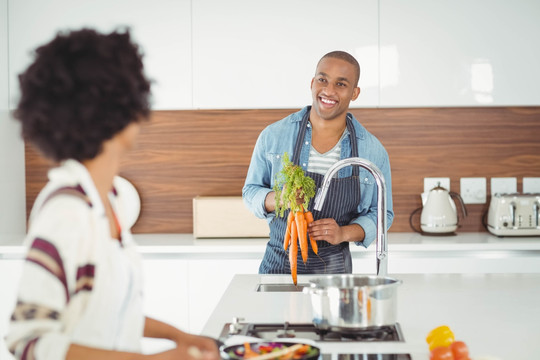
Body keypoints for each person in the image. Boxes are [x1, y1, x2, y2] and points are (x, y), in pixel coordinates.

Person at [5, 28, 219, 360]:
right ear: (113, 109)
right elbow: (27, 342)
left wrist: (178, 336)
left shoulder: (109, 200)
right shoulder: (66, 211)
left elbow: (112, 312)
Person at [242, 51, 394, 274]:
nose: (329, 90)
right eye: (323, 80)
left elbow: (382, 214)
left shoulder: (372, 151)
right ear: (313, 83)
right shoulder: (274, 136)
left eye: (341, 84)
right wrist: (278, 198)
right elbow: (250, 191)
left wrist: (343, 233)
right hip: (278, 269)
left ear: (355, 93)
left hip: (335, 275)